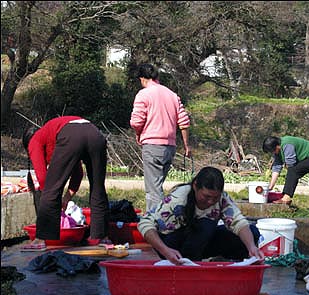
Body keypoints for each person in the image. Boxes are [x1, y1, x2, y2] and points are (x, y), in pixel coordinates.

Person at [137, 166, 264, 265]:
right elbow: (145, 223)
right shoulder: (178, 200)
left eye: (215, 197)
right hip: (173, 246)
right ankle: (190, 262)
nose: (210, 202)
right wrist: (165, 250)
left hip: (200, 242)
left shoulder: (222, 199)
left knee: (251, 232)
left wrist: (251, 247)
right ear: (195, 186)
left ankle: (215, 260)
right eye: (206, 196)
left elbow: (238, 222)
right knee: (205, 224)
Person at [21, 116, 110, 250]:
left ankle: (40, 239)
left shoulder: (35, 140)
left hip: (73, 135)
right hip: (95, 134)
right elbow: (78, 174)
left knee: (50, 190)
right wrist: (66, 199)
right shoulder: (53, 135)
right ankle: (101, 237)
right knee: (98, 188)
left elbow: (44, 181)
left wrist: (54, 203)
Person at [130, 63, 191, 213]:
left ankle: (155, 223)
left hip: (152, 146)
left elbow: (136, 122)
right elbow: (184, 122)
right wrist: (187, 146)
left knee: (153, 191)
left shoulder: (143, 94)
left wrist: (139, 134)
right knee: (157, 186)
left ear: (142, 78)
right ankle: (163, 218)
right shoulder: (172, 95)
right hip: (170, 147)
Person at [262, 136, 309, 207]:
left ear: (277, 146)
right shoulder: (278, 152)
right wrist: (270, 187)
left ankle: (286, 198)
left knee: (293, 171)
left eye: (272, 151)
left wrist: (289, 180)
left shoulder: (287, 144)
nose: (272, 153)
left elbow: (291, 164)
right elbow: (276, 169)